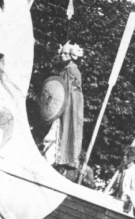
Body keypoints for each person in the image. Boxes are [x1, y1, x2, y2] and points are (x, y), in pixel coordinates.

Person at [43, 41, 84, 176]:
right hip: (63, 108)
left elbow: (73, 95)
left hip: (69, 109)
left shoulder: (72, 70)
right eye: (61, 53)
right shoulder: (65, 70)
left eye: (65, 54)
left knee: (64, 131)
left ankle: (63, 160)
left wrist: (63, 108)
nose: (62, 56)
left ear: (72, 55)